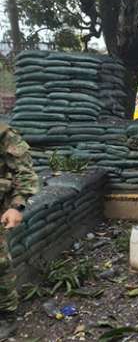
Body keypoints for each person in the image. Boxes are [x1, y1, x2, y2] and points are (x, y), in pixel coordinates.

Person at [0, 123, 38, 337]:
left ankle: (6, 316)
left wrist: (16, 206)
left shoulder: (4, 135)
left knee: (0, 265)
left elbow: (24, 172)